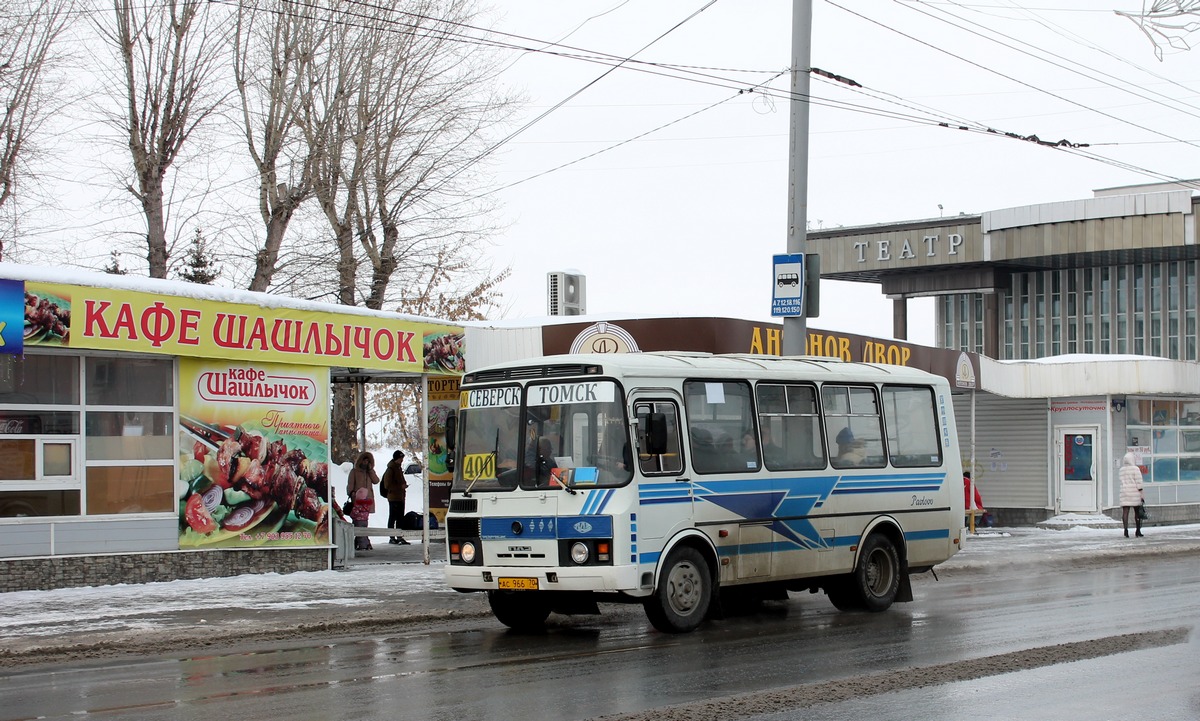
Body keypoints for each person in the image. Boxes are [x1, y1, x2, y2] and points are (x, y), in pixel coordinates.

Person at [346, 451, 379, 550]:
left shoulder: (369, 472)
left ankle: (361, 540)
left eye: (368, 461)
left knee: (364, 522)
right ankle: (362, 542)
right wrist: (352, 493)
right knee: (357, 521)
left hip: (367, 501)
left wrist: (371, 470)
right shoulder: (354, 471)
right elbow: (350, 484)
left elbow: (376, 481)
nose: (366, 463)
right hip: (357, 501)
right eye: (364, 460)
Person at [380, 450, 410, 545]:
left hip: (400, 497)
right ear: (397, 458)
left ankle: (399, 536)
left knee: (400, 518)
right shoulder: (391, 469)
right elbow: (387, 485)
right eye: (401, 458)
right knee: (393, 517)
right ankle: (392, 536)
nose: (402, 460)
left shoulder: (398, 468)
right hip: (393, 497)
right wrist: (400, 487)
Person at [1118, 452, 1145, 538]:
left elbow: (1121, 480)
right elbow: (1139, 482)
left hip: (1124, 492)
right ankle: (1138, 530)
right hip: (1134, 493)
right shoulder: (1135, 469)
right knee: (1137, 512)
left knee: (1125, 512)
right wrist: (1141, 493)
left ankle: (1125, 530)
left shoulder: (1121, 470)